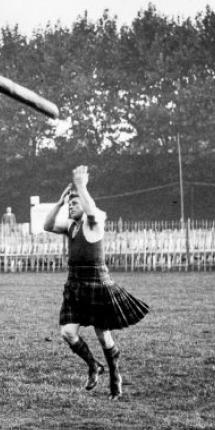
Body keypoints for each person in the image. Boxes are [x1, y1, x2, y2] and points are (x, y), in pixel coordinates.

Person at [44, 165, 149, 399]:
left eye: (75, 203)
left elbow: (91, 211)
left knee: (104, 337)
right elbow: (47, 225)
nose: (72, 206)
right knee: (68, 333)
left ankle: (115, 375)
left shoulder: (94, 222)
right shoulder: (71, 226)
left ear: (84, 203)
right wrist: (60, 203)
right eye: (70, 204)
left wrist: (81, 186)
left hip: (97, 286)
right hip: (75, 286)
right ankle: (94, 366)